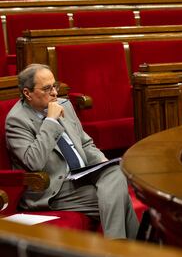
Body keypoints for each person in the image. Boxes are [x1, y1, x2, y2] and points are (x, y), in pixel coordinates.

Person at [5, 63, 139, 239]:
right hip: (54, 187)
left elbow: (85, 143)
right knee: (118, 197)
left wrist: (101, 162)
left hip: (83, 174)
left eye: (55, 86)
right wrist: (51, 122)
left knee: (115, 171)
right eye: (46, 88)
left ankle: (120, 251)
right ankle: (124, 247)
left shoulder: (64, 105)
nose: (54, 93)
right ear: (27, 93)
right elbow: (33, 162)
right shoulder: (17, 121)